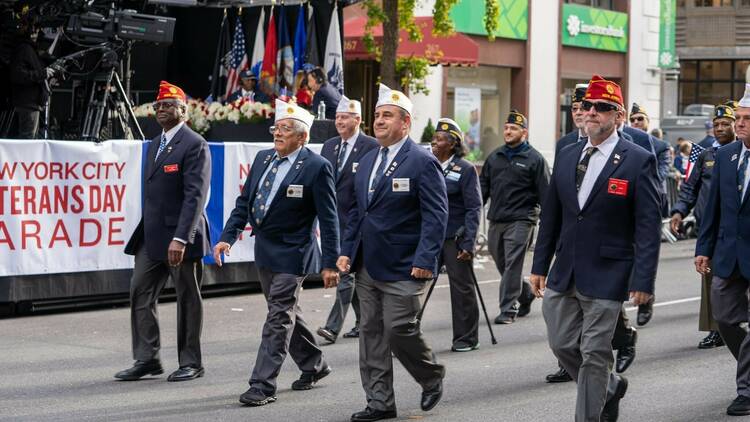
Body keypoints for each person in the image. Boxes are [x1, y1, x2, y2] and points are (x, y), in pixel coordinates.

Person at [530, 74, 661, 422]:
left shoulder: (637, 159)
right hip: (564, 270)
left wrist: (643, 280)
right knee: (561, 344)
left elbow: (648, 227)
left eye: (601, 108)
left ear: (618, 116)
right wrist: (539, 265)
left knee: (594, 354)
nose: (591, 113)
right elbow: (552, 215)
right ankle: (610, 387)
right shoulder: (567, 152)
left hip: (609, 272)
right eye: (587, 106)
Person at [213, 99, 339, 406]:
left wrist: (330, 263)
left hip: (294, 252)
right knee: (286, 312)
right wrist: (227, 237)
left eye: (286, 129)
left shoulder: (316, 167)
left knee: (278, 317)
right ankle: (314, 364)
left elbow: (329, 217)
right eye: (276, 128)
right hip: (266, 249)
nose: (278, 133)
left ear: (302, 137)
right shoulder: (262, 158)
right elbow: (244, 203)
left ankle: (262, 384)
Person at [336, 84, 447, 422]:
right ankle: (380, 402)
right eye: (377, 115)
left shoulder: (422, 161)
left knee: (399, 329)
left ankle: (430, 375)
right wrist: (346, 251)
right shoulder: (367, 159)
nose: (379, 121)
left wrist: (425, 260)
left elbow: (436, 215)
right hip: (367, 263)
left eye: (387, 116)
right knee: (370, 333)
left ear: (406, 123)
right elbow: (358, 212)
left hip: (406, 266)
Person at [115, 81, 211, 382]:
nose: (160, 110)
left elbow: (195, 195)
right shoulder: (154, 144)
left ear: (183, 111)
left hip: (180, 236)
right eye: (157, 106)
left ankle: (191, 362)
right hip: (152, 234)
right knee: (139, 290)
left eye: (167, 105)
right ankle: (147, 359)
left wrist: (182, 237)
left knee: (187, 297)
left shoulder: (195, 144)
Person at [695, 85, 750, 416]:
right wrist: (704, 248)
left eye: (746, 118)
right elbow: (712, 208)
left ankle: (746, 389)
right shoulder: (726, 156)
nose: (739, 123)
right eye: (739, 118)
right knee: (725, 317)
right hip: (728, 253)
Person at [672, 103, 737, 350]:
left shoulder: (740, 152)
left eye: (725, 124)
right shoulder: (705, 154)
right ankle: (715, 329)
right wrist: (679, 211)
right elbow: (690, 187)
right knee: (709, 278)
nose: (720, 128)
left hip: (734, 226)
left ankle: (734, 324)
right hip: (709, 228)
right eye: (716, 124)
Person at [316, 96, 378, 344]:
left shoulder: (371, 146)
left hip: (357, 221)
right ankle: (364, 321)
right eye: (338, 117)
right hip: (332, 220)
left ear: (358, 120)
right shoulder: (329, 146)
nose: (340, 122)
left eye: (345, 118)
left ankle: (332, 327)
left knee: (345, 271)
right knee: (349, 271)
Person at [479, 109, 550, 324]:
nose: (508, 131)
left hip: (522, 219)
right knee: (500, 260)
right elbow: (482, 188)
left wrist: (549, 225)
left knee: (512, 264)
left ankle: (508, 309)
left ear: (524, 133)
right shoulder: (495, 157)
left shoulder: (535, 159)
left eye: (514, 129)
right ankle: (525, 293)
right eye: (507, 128)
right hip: (497, 218)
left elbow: (546, 193)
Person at [430, 117, 482, 352]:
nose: (434, 142)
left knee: (461, 288)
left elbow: (474, 207)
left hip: (455, 237)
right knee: (413, 285)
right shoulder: (427, 165)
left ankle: (466, 338)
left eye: (440, 139)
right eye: (434, 137)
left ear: (451, 144)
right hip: (430, 236)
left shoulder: (465, 169)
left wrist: (469, 243)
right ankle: (405, 337)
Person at [626, 102, 665, 326]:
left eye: (640, 119)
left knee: (644, 252)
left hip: (649, 203)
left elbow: (660, 174)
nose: (636, 123)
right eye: (633, 120)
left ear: (648, 122)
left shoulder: (658, 145)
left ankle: (645, 298)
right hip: (625, 207)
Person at [9, 20, 50, 139]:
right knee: (28, 139)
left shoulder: (29, 49)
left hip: (31, 102)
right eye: (35, 31)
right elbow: (18, 75)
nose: (37, 34)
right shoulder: (24, 49)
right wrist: (42, 74)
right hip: (28, 103)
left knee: (30, 138)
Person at [556, 84, 589, 155]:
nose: (578, 113)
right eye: (575, 108)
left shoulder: (602, 142)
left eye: (583, 108)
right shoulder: (563, 143)